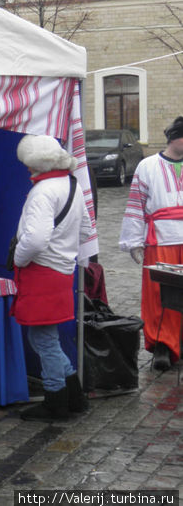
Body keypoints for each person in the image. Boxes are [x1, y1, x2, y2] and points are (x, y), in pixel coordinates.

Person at [12, 134, 92, 421]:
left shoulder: (42, 191)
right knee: (47, 339)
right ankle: (74, 396)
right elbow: (84, 230)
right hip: (62, 269)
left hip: (41, 271)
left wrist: (18, 259)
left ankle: (55, 400)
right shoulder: (72, 184)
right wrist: (65, 249)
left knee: (43, 340)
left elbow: (34, 240)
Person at [119, 116, 183, 371]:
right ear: (174, 138)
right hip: (160, 240)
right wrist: (135, 242)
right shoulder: (148, 166)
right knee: (160, 294)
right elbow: (135, 205)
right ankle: (161, 346)